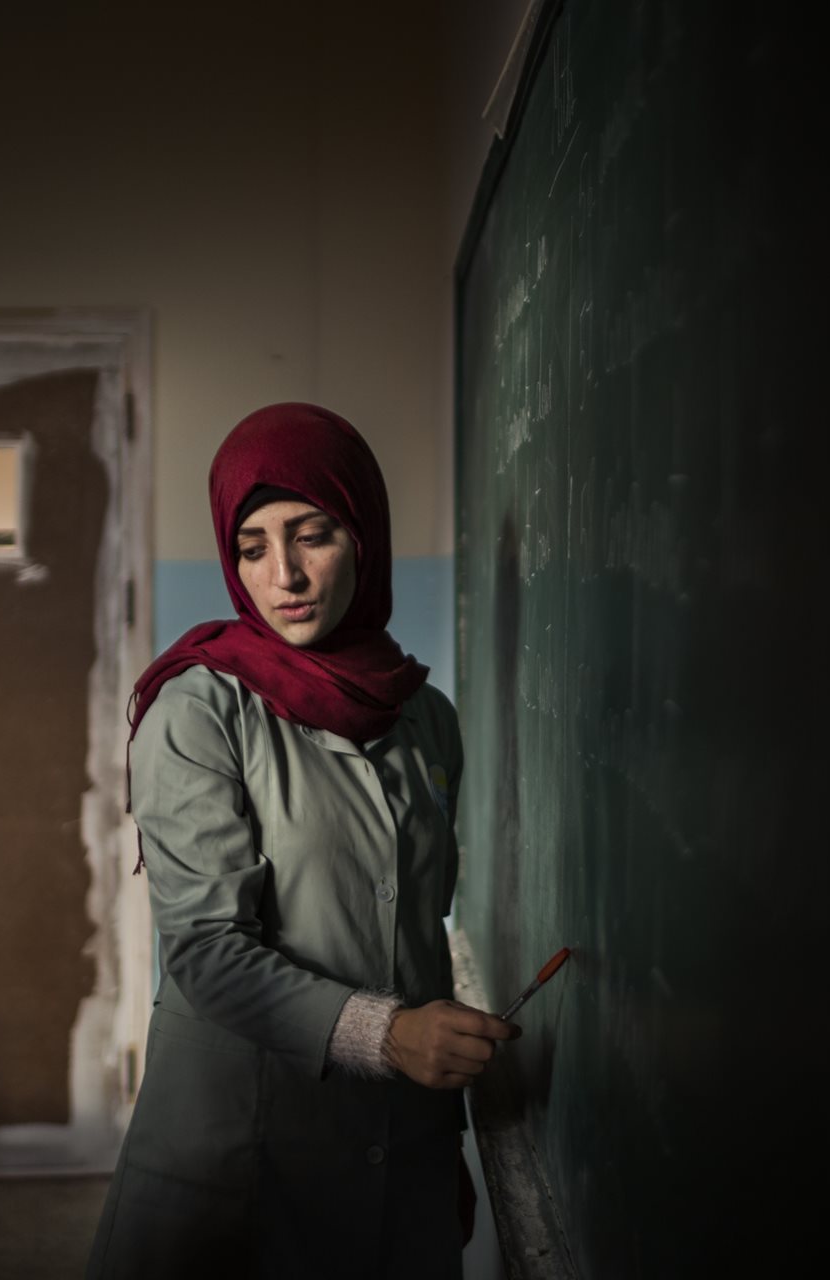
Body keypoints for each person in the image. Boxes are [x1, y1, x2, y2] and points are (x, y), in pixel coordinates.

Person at [87, 403, 518, 1279]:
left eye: (312, 535)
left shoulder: (423, 715)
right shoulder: (198, 710)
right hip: (242, 1162)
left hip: (398, 1158)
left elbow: (418, 931)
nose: (283, 574)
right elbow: (206, 949)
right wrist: (387, 1036)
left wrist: (436, 1148)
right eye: (252, 547)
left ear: (364, 532)